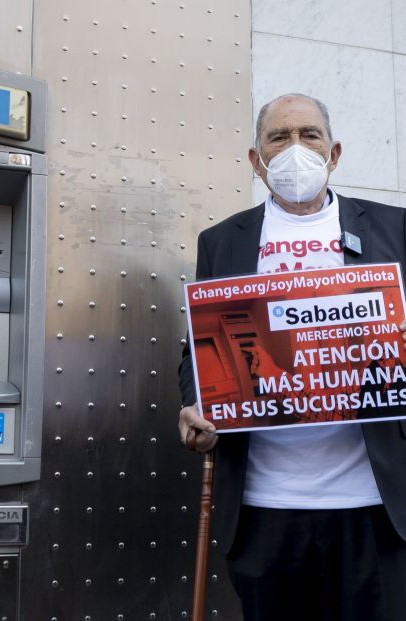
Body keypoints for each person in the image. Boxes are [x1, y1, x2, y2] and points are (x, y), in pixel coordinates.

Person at [178, 93, 406, 621]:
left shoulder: (395, 229)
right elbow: (197, 344)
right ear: (256, 161)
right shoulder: (222, 241)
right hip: (265, 505)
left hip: (372, 505)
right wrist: (194, 405)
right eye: (279, 138)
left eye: (309, 135)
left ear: (335, 152)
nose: (295, 149)